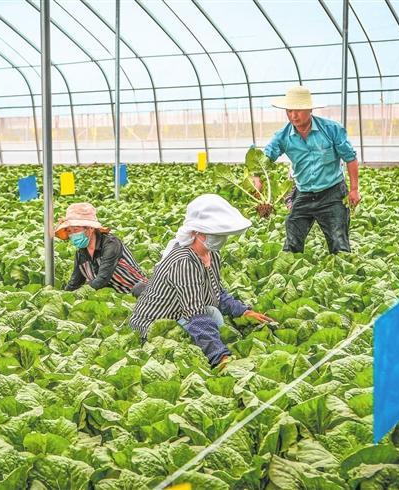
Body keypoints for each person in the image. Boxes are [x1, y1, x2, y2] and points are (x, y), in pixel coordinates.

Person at [129, 194, 274, 369]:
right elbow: (196, 315)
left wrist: (243, 311)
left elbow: (218, 293)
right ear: (195, 233)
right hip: (155, 328)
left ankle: (212, 348)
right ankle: (212, 353)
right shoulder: (184, 262)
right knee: (205, 326)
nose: (220, 238)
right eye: (213, 233)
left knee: (213, 314)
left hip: (180, 315)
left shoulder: (212, 254)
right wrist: (220, 357)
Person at [258, 85, 362, 253]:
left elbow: (350, 158)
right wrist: (257, 177)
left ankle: (342, 266)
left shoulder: (331, 129)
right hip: (303, 194)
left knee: (339, 243)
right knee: (292, 240)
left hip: (332, 193)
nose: (293, 115)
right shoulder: (282, 136)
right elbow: (265, 158)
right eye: (289, 111)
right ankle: (289, 268)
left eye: (298, 110)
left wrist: (354, 189)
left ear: (310, 109)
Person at [55, 202, 148, 296]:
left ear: (90, 228)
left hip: (139, 292)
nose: (72, 235)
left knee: (139, 288)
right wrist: (63, 296)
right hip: (113, 297)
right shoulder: (81, 253)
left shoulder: (111, 244)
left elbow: (102, 279)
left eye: (76, 230)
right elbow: (74, 283)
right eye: (69, 231)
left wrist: (81, 292)